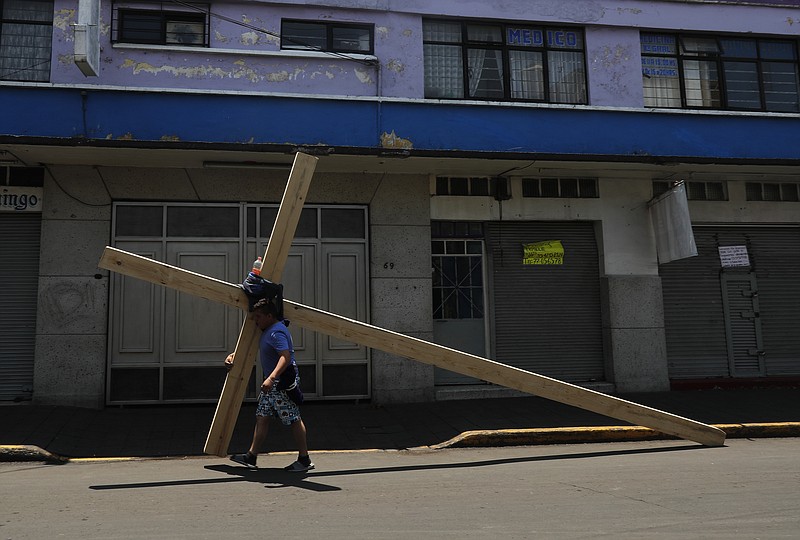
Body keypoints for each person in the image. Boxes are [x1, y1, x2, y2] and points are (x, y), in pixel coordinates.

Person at [225, 298, 313, 472]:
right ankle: (251, 456)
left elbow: (285, 357)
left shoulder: (276, 332)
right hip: (272, 385)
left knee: (293, 419)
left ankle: (304, 459)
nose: (255, 320)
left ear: (269, 315)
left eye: (258, 317)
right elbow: (254, 347)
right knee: (262, 417)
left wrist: (271, 378)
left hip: (280, 384)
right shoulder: (267, 330)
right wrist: (233, 355)